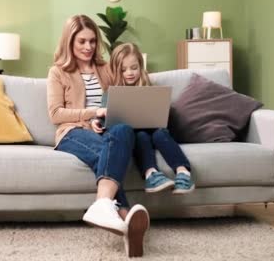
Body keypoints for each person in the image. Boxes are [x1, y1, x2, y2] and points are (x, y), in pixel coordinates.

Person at [47, 15, 149, 257]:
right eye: (82, 41)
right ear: (69, 41)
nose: (88, 47)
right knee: (108, 154)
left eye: (92, 41)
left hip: (106, 129)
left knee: (122, 132)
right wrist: (94, 113)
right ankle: (121, 213)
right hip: (72, 132)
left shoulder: (106, 68)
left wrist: (105, 118)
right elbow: (55, 114)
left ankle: (109, 212)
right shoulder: (58, 72)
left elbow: (122, 95)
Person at [104, 42, 195, 194]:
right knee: (141, 136)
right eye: (123, 70)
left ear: (141, 66)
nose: (129, 73)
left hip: (156, 132)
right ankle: (151, 174)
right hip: (136, 138)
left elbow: (162, 118)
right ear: (115, 70)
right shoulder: (109, 93)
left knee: (160, 133)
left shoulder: (149, 88)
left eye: (134, 68)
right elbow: (106, 120)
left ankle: (183, 173)